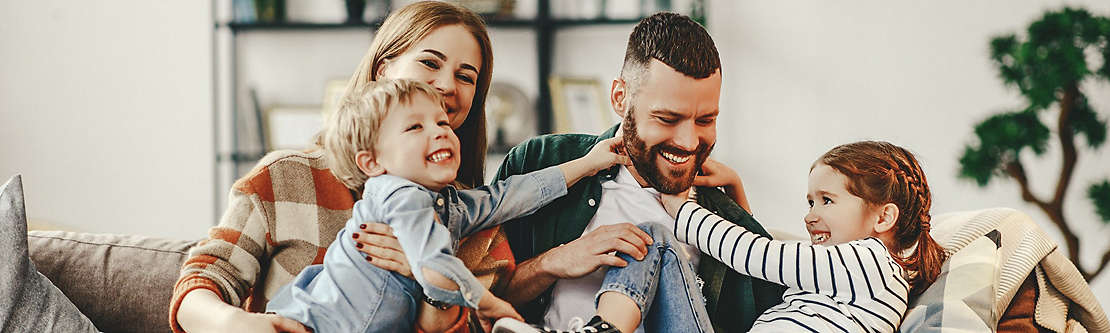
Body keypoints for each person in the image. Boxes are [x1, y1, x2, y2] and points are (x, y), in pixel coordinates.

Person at [170, 2, 504, 332]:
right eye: (430, 62)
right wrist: (235, 322)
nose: (447, 85)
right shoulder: (286, 177)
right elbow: (204, 283)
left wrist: (429, 277)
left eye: (465, 77)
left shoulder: (473, 214)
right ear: (382, 71)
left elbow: (480, 326)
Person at [487, 12, 786, 332]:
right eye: (667, 119)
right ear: (620, 97)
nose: (688, 142)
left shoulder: (724, 217)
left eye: (705, 121)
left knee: (654, 239)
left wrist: (739, 211)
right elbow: (477, 301)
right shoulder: (541, 163)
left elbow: (779, 314)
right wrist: (554, 262)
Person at [265, 79, 630, 332]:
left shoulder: (446, 203)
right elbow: (435, 270)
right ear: (373, 162)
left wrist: (589, 163)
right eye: (415, 128)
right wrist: (493, 305)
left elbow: (510, 196)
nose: (440, 131)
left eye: (441, 121)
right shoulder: (398, 194)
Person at [650, 141, 947, 332]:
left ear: (883, 217)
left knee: (658, 243)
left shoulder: (871, 261)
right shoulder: (847, 274)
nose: (809, 216)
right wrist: (735, 187)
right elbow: (765, 265)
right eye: (810, 202)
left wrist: (680, 208)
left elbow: (755, 255)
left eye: (826, 200)